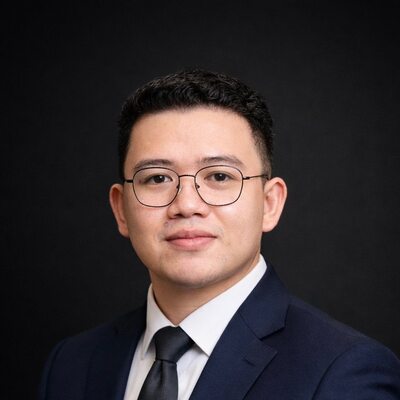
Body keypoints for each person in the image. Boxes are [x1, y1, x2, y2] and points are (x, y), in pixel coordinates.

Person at [39, 69, 400, 400]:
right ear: (121, 209)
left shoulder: (345, 373)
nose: (186, 205)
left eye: (219, 176)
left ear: (270, 203)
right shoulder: (72, 364)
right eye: (157, 178)